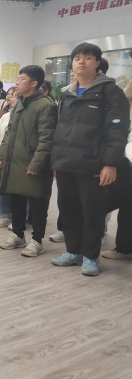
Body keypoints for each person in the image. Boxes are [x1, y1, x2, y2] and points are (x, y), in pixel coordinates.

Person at [51, 43, 130, 276]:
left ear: (97, 63)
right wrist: (56, 161)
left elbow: (117, 131)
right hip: (66, 163)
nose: (81, 62)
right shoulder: (67, 93)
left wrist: (111, 163)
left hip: (93, 165)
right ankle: (73, 251)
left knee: (92, 213)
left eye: (87, 57)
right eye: (77, 58)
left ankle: (91, 256)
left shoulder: (110, 92)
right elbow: (61, 129)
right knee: (68, 210)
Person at [0, 65, 57, 257]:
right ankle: (18, 235)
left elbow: (47, 139)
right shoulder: (20, 103)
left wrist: (36, 164)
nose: (17, 82)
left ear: (34, 83)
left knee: (38, 204)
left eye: (21, 79)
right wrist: (1, 155)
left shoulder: (46, 105)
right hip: (15, 161)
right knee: (17, 201)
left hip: (33, 163)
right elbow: (9, 132)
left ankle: (37, 240)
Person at [102, 79, 132, 260]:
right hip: (125, 163)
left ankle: (124, 248)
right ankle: (124, 248)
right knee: (126, 207)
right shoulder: (124, 102)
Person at [0, 87, 18, 227]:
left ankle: (19, 218)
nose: (10, 97)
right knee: (5, 188)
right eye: (9, 94)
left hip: (18, 158)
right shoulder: (5, 116)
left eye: (14, 95)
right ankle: (5, 215)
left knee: (19, 190)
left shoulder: (24, 114)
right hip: (4, 156)